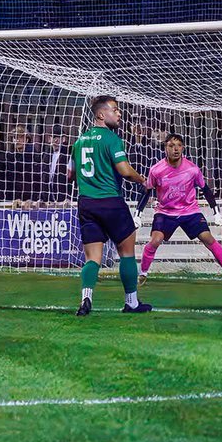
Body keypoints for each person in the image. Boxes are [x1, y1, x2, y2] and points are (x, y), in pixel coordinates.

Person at [69, 95, 151, 316]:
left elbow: (70, 175)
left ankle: (86, 298)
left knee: (92, 258)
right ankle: (131, 302)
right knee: (126, 252)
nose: (119, 114)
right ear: (100, 114)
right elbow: (124, 171)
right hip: (110, 201)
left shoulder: (79, 141)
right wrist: (142, 179)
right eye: (115, 110)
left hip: (86, 203)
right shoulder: (111, 138)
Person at [134, 133, 222, 285]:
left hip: (190, 212)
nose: (175, 149)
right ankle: (143, 273)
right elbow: (147, 190)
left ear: (183, 148)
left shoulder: (192, 169)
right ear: (165, 148)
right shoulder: (156, 170)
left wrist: (216, 211)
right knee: (155, 240)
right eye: (171, 146)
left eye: (178, 146)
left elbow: (205, 189)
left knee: (208, 238)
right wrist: (138, 214)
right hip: (165, 212)